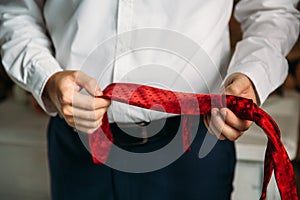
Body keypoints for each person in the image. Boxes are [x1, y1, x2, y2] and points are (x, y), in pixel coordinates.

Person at [0, 1, 299, 199]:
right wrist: (46, 78)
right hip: (78, 145)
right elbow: (15, 10)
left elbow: (273, 10)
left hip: (195, 148)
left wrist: (250, 76)